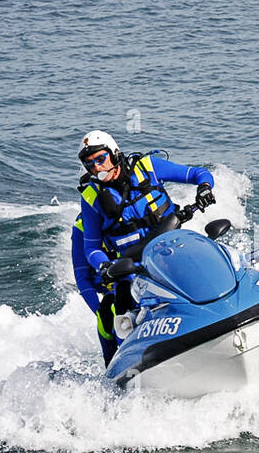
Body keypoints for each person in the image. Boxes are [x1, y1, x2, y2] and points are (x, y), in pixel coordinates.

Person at [72, 130, 216, 362]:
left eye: (101, 159)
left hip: (171, 253)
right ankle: (125, 364)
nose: (97, 167)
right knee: (114, 307)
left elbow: (198, 174)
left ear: (114, 153)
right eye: (90, 164)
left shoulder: (148, 166)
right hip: (131, 270)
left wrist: (205, 188)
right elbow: (91, 248)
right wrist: (106, 266)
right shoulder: (91, 198)